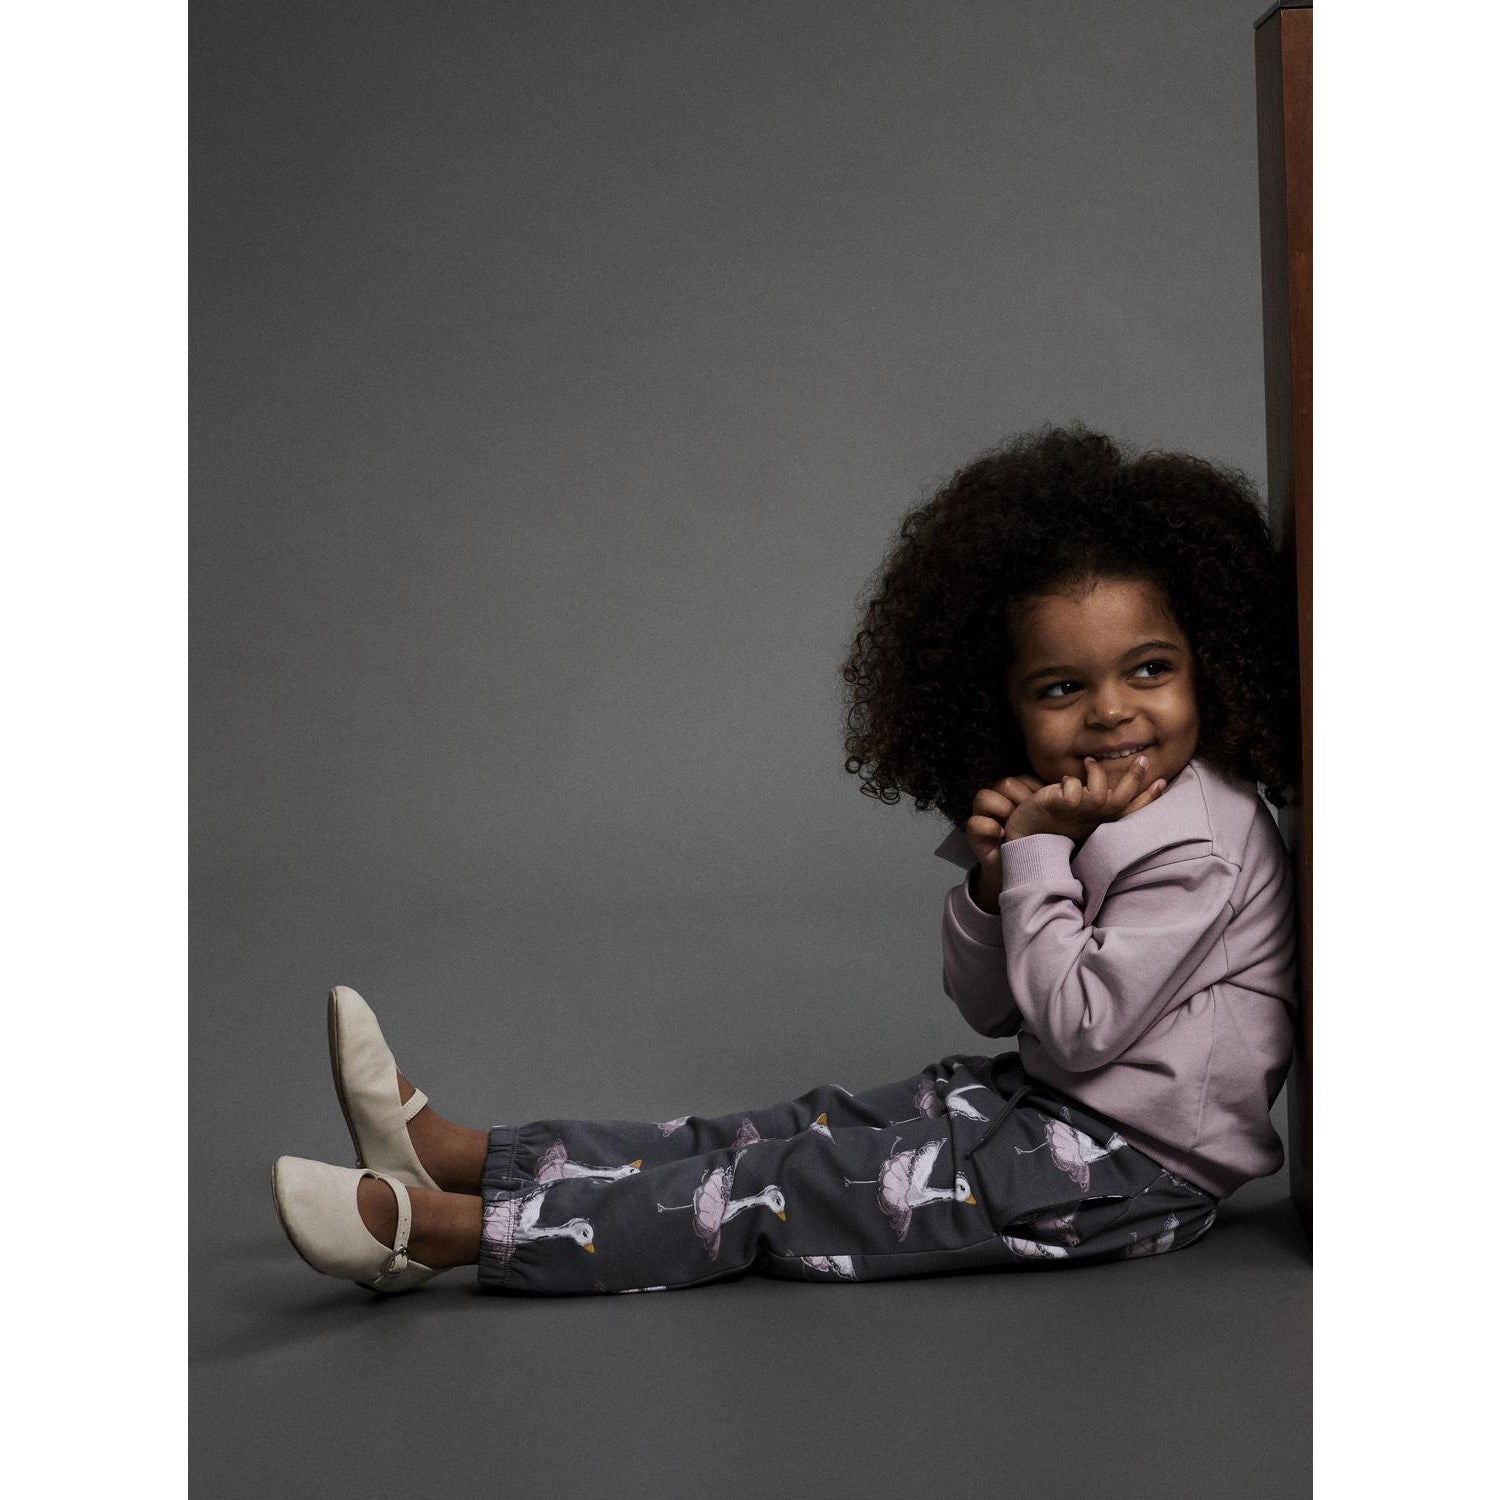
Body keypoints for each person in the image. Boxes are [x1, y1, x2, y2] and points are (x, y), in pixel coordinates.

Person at [271, 423, 1299, 1296]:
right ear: (1006, 705)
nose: (1113, 711)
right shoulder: (1084, 812)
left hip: (1128, 1173)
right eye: (1062, 688)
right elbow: (994, 1008)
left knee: (781, 1188)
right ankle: (471, 1160)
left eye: (1150, 669)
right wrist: (996, 882)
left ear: (1209, 662)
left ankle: (451, 1235)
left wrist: (1035, 856)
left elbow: (1076, 1028)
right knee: (796, 1128)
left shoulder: (1202, 841)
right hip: (1050, 1109)